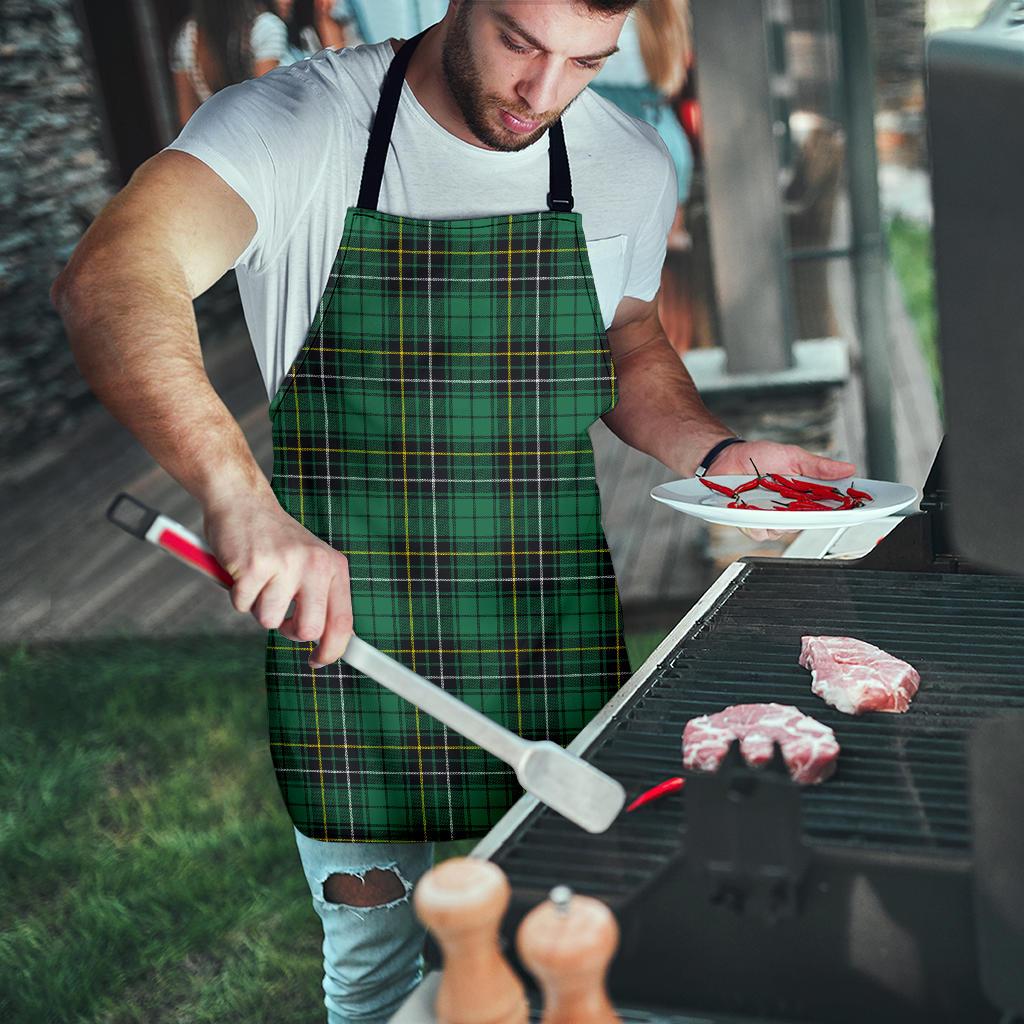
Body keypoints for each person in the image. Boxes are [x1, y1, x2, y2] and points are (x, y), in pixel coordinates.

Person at [53, 2, 856, 1020]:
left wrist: (718, 449)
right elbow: (113, 275)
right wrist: (238, 497)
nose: (543, 93)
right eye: (521, 43)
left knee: (574, 950)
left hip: (547, 633)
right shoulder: (298, 125)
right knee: (378, 975)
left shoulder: (624, 160)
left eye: (585, 62)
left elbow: (628, 336)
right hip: (347, 650)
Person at [169, 0, 289, 128]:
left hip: (217, 141)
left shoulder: (187, 37)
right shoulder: (265, 27)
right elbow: (269, 107)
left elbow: (187, 120)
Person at [275, 0, 351, 64]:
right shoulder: (271, 26)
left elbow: (339, 62)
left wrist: (323, 17)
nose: (288, 2)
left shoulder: (307, 29)